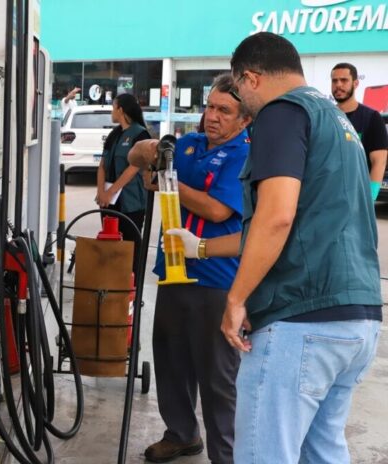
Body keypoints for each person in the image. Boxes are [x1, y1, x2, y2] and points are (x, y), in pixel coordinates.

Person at [165, 32, 382, 464]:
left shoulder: (281, 114)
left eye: (237, 89)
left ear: (251, 78)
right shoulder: (336, 121)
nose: (240, 103)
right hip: (357, 321)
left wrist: (237, 299)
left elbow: (276, 216)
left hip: (301, 322)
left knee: (263, 454)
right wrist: (201, 248)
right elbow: (292, 227)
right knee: (321, 452)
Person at [132, 74, 252, 464]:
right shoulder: (189, 145)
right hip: (172, 270)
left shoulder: (243, 155)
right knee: (170, 362)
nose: (212, 116)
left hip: (216, 280)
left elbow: (217, 210)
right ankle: (181, 434)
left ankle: (226, 454)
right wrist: (153, 150)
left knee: (217, 377)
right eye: (210, 107)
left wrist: (168, 179)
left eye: (224, 111)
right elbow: (136, 157)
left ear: (245, 119)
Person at [96, 93, 150, 270]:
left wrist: (110, 192)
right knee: (110, 246)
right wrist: (101, 193)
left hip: (131, 202)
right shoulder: (114, 134)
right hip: (109, 202)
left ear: (121, 110)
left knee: (130, 248)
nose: (112, 111)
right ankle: (112, 282)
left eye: (113, 107)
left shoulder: (140, 134)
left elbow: (133, 168)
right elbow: (102, 165)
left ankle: (132, 284)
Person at [331, 62, 388, 201]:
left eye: (344, 80)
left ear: (355, 83)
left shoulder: (371, 118)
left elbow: (379, 162)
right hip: (328, 198)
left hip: (356, 199)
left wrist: (369, 199)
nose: (338, 85)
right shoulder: (326, 116)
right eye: (334, 81)